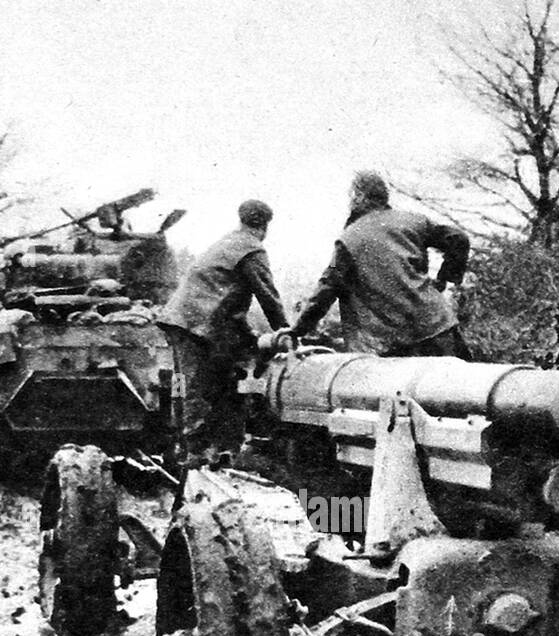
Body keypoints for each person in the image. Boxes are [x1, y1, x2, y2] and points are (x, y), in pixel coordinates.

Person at [158, 199, 289, 464]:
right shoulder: (251, 249)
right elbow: (269, 297)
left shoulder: (228, 242)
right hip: (195, 324)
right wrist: (287, 333)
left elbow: (227, 301)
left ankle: (205, 447)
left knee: (189, 384)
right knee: (194, 385)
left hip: (185, 322)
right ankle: (195, 453)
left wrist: (250, 336)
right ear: (265, 226)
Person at [290, 171, 471, 358]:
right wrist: (443, 280)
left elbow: (326, 289)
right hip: (438, 326)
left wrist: (296, 331)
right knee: (472, 384)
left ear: (358, 196)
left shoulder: (348, 239)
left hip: (395, 344)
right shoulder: (414, 221)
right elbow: (459, 239)